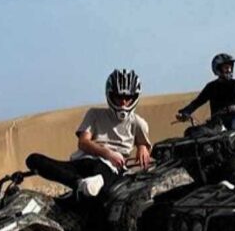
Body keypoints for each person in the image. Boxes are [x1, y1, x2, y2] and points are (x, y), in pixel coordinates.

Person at [26, 69, 151, 200]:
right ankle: (81, 184)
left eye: (128, 98)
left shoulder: (138, 122)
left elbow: (143, 143)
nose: (123, 103)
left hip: (111, 168)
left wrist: (142, 147)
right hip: (83, 162)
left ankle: (87, 186)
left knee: (105, 178)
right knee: (34, 160)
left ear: (135, 97)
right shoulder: (94, 114)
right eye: (118, 97)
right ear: (110, 94)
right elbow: (83, 142)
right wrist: (107, 153)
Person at [176, 53, 235, 130]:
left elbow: (234, 104)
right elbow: (198, 101)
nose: (229, 70)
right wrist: (185, 112)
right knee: (194, 131)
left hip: (234, 120)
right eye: (226, 68)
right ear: (218, 69)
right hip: (217, 122)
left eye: (230, 67)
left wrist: (226, 109)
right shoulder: (211, 87)